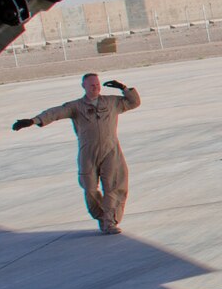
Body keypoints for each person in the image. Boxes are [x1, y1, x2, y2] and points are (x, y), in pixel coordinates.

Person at [11, 72, 142, 234]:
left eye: (97, 84)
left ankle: (110, 221)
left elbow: (135, 102)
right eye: (91, 85)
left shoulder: (111, 102)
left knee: (114, 186)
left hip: (111, 151)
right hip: (88, 153)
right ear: (84, 86)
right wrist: (33, 120)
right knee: (89, 188)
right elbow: (56, 112)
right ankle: (101, 215)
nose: (95, 87)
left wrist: (124, 88)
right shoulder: (76, 106)